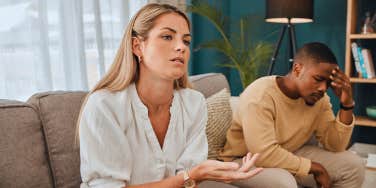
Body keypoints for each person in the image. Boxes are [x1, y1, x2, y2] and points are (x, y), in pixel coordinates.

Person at [78, 3, 262, 188]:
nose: (181, 47)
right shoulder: (104, 105)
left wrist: (198, 175)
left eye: (186, 41)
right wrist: (190, 177)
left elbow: (189, 178)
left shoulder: (194, 102)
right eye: (167, 37)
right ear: (137, 46)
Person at [219, 42, 365, 188]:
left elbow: (335, 145)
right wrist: (314, 168)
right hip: (244, 161)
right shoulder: (260, 96)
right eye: (319, 79)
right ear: (297, 69)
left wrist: (347, 104)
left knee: (354, 166)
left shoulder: (319, 99)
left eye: (328, 83)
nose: (323, 88)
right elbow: (263, 154)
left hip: (289, 151)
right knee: (284, 183)